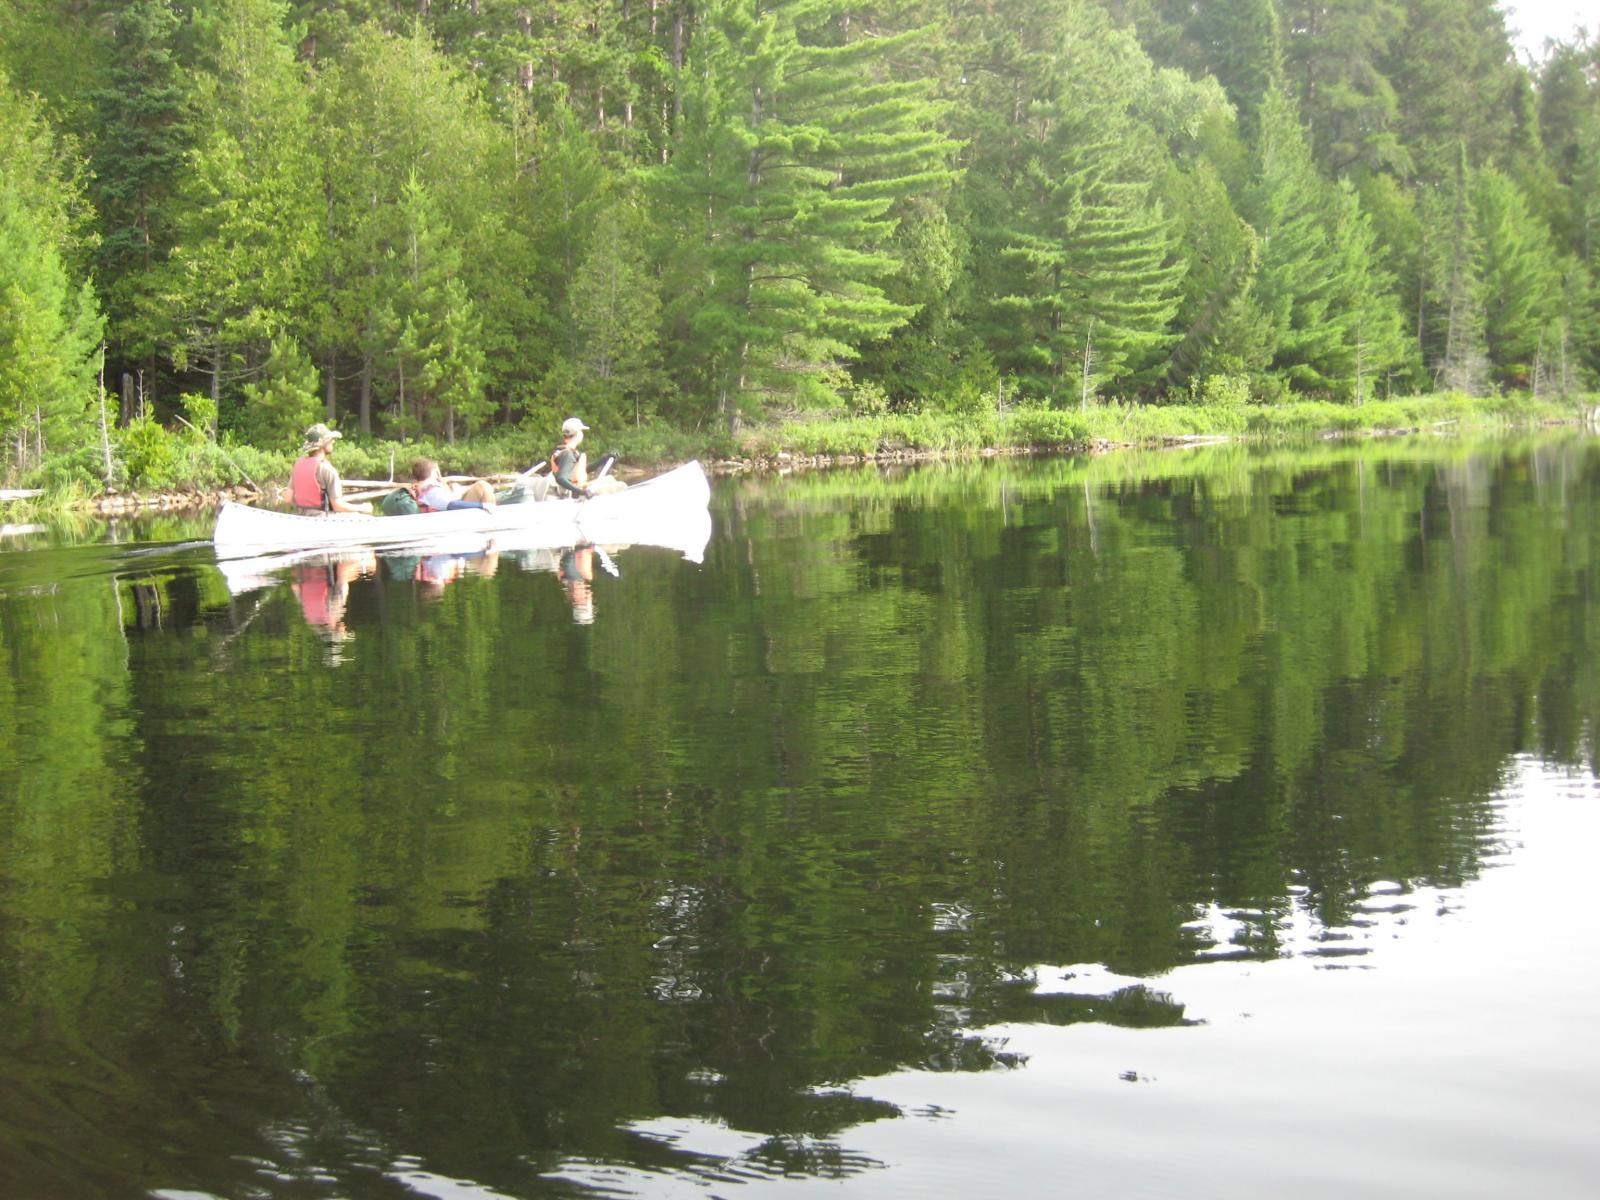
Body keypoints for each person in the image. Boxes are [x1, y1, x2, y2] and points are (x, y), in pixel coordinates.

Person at [290, 423, 371, 515]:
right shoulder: (327, 469)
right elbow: (337, 506)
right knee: (362, 515)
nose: (333, 441)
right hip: (321, 518)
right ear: (323, 444)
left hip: (301, 516)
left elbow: (288, 498)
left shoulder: (298, 465)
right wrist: (362, 508)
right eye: (330, 440)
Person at [409, 458, 497, 512]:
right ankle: (492, 520)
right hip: (451, 520)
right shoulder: (432, 491)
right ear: (433, 472)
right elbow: (452, 505)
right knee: (483, 486)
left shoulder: (423, 488)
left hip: (449, 515)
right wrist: (482, 505)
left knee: (481, 487)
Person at [549, 417, 592, 500]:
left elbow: (582, 469)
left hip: (571, 494)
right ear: (578, 434)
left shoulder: (567, 452)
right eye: (581, 431)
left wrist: (604, 459)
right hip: (568, 496)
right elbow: (561, 478)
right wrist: (581, 492)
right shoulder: (568, 454)